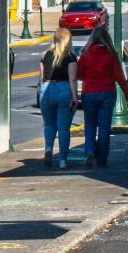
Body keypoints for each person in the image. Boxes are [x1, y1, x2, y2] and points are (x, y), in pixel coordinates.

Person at [75, 23, 128, 168]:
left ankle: (89, 151)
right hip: (107, 92)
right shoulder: (111, 54)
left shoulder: (85, 54)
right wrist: (127, 95)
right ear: (107, 38)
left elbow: (80, 74)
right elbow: (119, 76)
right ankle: (102, 159)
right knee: (104, 127)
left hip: (89, 92)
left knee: (90, 125)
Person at [38, 27, 78, 170]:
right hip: (64, 90)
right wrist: (75, 98)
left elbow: (42, 77)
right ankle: (62, 161)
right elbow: (72, 79)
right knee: (63, 128)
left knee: (49, 124)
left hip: (47, 89)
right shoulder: (71, 57)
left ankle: (48, 149)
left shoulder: (45, 55)